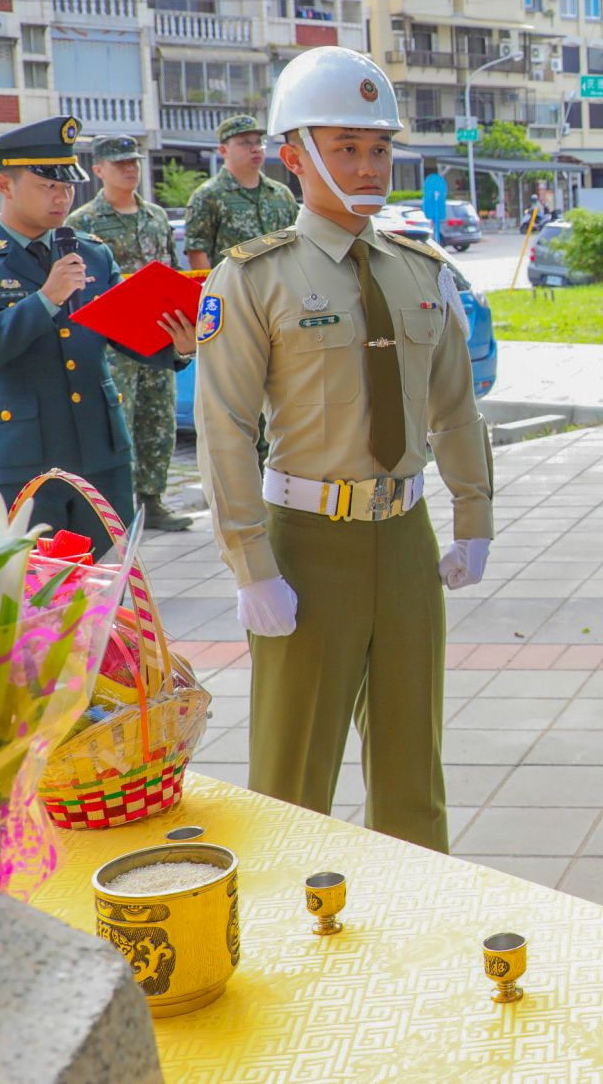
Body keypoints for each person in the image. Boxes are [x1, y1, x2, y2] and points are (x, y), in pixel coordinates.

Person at [195, 47, 494, 852]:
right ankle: (290, 953)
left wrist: (474, 513)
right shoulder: (254, 277)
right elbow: (224, 425)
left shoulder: (419, 270)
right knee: (293, 784)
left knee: (413, 779)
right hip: (307, 547)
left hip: (405, 539)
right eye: (347, 148)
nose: (368, 167)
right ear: (294, 158)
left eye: (379, 148)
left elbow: (456, 404)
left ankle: (419, 940)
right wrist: (251, 563)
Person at [0, 116, 194, 545]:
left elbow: (122, 333)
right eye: (47, 186)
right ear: (5, 185)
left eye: (68, 186)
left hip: (101, 454)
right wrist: (45, 300)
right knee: (36, 596)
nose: (62, 197)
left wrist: (178, 346)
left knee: (109, 590)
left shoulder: (90, 252)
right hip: (22, 461)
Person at [67, 135, 193, 532]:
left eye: (134, 162)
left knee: (159, 421)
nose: (130, 169)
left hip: (158, 337)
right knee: (118, 421)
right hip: (114, 341)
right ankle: (115, 507)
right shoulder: (82, 221)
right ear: (99, 169)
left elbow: (171, 271)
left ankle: (153, 501)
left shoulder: (155, 215)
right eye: (120, 163)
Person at [183, 114, 299, 270]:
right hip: (233, 290)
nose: (256, 149)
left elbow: (296, 243)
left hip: (280, 288)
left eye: (258, 142)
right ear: (224, 150)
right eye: (245, 143)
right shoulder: (208, 196)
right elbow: (197, 253)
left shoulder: (281, 194)